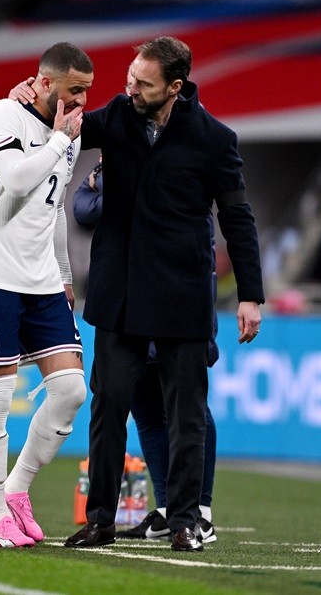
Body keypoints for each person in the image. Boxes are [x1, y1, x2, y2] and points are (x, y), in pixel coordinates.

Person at [12, 36, 263, 551]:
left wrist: (250, 295)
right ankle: (101, 518)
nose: (130, 88)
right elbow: (59, 124)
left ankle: (187, 520)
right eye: (129, 77)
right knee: (109, 409)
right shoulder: (116, 118)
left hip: (182, 297)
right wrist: (30, 101)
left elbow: (238, 219)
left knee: (186, 414)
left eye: (142, 83)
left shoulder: (216, 139)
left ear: (175, 87)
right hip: (120, 295)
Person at [0, 42, 93, 548]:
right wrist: (58, 140)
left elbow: (53, 209)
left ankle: (17, 489)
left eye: (87, 91)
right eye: (74, 89)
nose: (81, 99)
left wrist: (64, 274)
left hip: (42, 283)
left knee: (72, 391)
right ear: (45, 81)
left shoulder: (69, 135)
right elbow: (13, 180)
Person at [71, 157, 220, 544]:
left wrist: (108, 185)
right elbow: (83, 207)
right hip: (131, 303)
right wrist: (102, 180)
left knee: (189, 408)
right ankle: (171, 506)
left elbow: (103, 206)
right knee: (147, 410)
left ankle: (200, 511)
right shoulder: (131, 156)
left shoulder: (188, 163)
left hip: (179, 300)